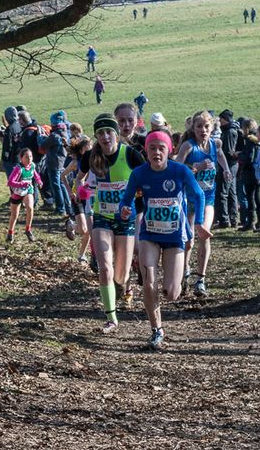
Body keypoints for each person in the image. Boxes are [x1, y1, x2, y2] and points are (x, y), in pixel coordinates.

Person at [119, 130, 208, 350]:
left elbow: (199, 194)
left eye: (161, 148)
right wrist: (125, 210)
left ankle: (180, 278)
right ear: (146, 151)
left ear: (169, 150)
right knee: (149, 280)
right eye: (152, 148)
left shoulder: (180, 171)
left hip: (175, 235)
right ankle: (156, 329)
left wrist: (199, 223)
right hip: (150, 234)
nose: (157, 152)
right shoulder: (139, 173)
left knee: (171, 293)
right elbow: (126, 198)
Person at [75, 113, 145, 333]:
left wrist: (140, 202)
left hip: (126, 220)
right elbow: (79, 179)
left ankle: (124, 283)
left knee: (120, 275)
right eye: (100, 133)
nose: (105, 136)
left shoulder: (131, 155)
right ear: (96, 136)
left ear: (116, 134)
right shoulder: (90, 157)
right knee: (104, 268)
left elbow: (147, 181)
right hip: (102, 219)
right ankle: (111, 318)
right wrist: (81, 189)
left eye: (109, 132)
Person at [173, 110, 230, 296]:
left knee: (205, 234)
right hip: (189, 199)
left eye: (206, 126)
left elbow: (220, 155)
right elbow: (177, 169)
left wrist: (226, 169)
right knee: (188, 241)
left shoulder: (215, 143)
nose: (203, 130)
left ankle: (201, 279)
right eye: (199, 127)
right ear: (193, 128)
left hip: (208, 197)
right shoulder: (188, 147)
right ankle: (185, 272)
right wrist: (195, 168)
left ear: (212, 127)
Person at [62, 134, 93, 261]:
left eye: (90, 148)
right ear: (81, 150)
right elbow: (62, 176)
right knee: (84, 229)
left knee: (88, 230)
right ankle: (73, 226)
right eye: (86, 148)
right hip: (78, 198)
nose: (89, 150)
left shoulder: (96, 161)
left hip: (91, 197)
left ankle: (81, 255)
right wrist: (70, 192)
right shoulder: (76, 163)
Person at [6, 148, 42, 243]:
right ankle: (10, 233)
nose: (29, 159)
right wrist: (21, 184)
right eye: (26, 157)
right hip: (17, 192)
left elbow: (35, 174)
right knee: (14, 215)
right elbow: (10, 182)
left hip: (28, 190)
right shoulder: (18, 168)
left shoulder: (32, 166)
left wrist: (39, 181)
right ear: (21, 158)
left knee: (30, 207)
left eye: (30, 156)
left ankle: (28, 230)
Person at [214, 110, 240, 228]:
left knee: (223, 192)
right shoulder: (231, 130)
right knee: (231, 191)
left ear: (225, 119)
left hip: (228, 165)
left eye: (220, 119)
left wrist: (218, 155)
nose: (219, 121)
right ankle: (233, 218)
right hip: (232, 165)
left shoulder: (229, 132)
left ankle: (224, 219)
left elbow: (228, 151)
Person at [236, 119, 260, 231]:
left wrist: (239, 155)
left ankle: (251, 222)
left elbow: (249, 158)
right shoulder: (258, 139)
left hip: (250, 172)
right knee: (257, 197)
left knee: (250, 198)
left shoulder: (250, 141)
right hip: (257, 172)